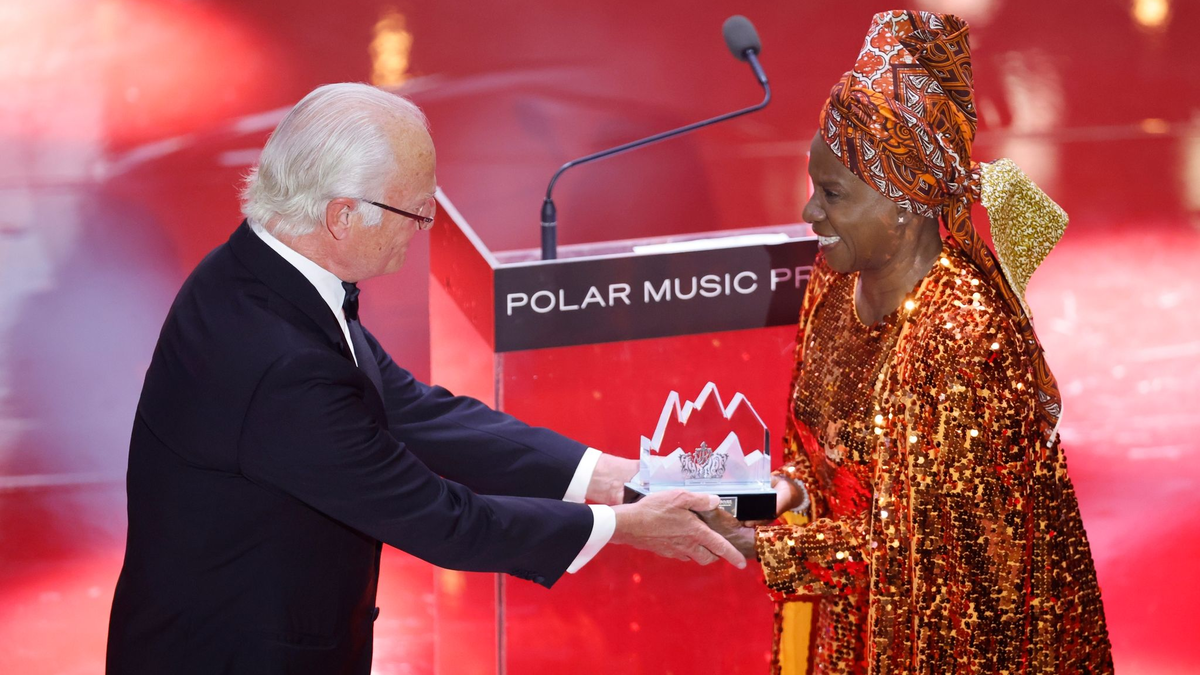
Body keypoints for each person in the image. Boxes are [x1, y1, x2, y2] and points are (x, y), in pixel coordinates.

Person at [105, 82, 743, 675]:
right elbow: (443, 521)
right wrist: (625, 525)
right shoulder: (281, 364)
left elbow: (414, 411)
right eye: (414, 208)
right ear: (341, 216)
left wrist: (614, 475)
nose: (426, 225)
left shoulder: (267, 272)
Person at [705, 11, 1113, 674]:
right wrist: (776, 496)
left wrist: (771, 545)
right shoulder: (833, 285)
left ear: (905, 202)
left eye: (832, 193)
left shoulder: (963, 340)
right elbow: (820, 454)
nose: (810, 213)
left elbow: (937, 572)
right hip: (845, 633)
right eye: (814, 187)